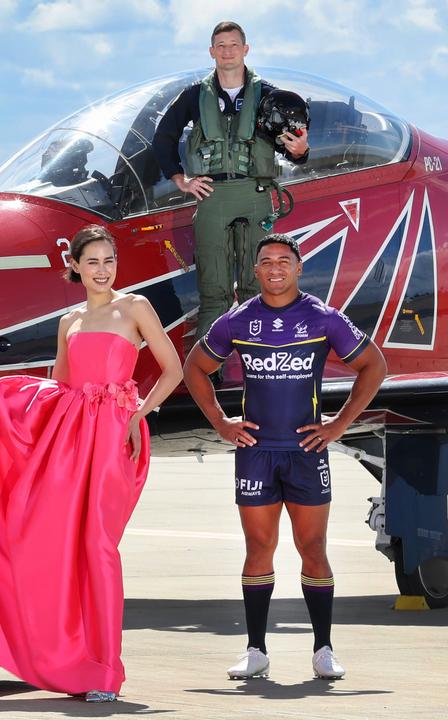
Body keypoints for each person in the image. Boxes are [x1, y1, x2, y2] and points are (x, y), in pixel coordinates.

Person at [0, 225, 183, 702]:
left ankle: (105, 670)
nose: (103, 270)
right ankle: (63, 659)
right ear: (75, 267)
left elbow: (171, 369)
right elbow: (61, 389)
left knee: (99, 547)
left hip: (115, 433)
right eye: (93, 262)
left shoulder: (135, 308)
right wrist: (0, 401)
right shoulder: (69, 322)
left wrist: (138, 414)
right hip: (70, 437)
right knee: (47, 541)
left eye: (109, 261)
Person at [183, 233, 385, 681]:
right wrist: (220, 423)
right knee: (259, 548)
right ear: (255, 271)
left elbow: (374, 365)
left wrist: (339, 425)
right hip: (256, 454)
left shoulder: (322, 317)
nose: (275, 267)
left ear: (298, 268)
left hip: (305, 453)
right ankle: (256, 650)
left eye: (284, 260)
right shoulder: (237, 321)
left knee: (312, 548)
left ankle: (323, 650)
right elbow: (195, 368)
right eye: (266, 261)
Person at [152, 20, 310, 341]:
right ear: (212, 52)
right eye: (221, 46)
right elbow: (163, 137)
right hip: (213, 196)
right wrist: (179, 178)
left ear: (245, 49)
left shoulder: (269, 95)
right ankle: (210, 375)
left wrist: (301, 150)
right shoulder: (194, 96)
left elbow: (292, 145)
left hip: (256, 195)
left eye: (234, 45)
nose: (227, 52)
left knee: (260, 287)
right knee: (214, 293)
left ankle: (263, 364)